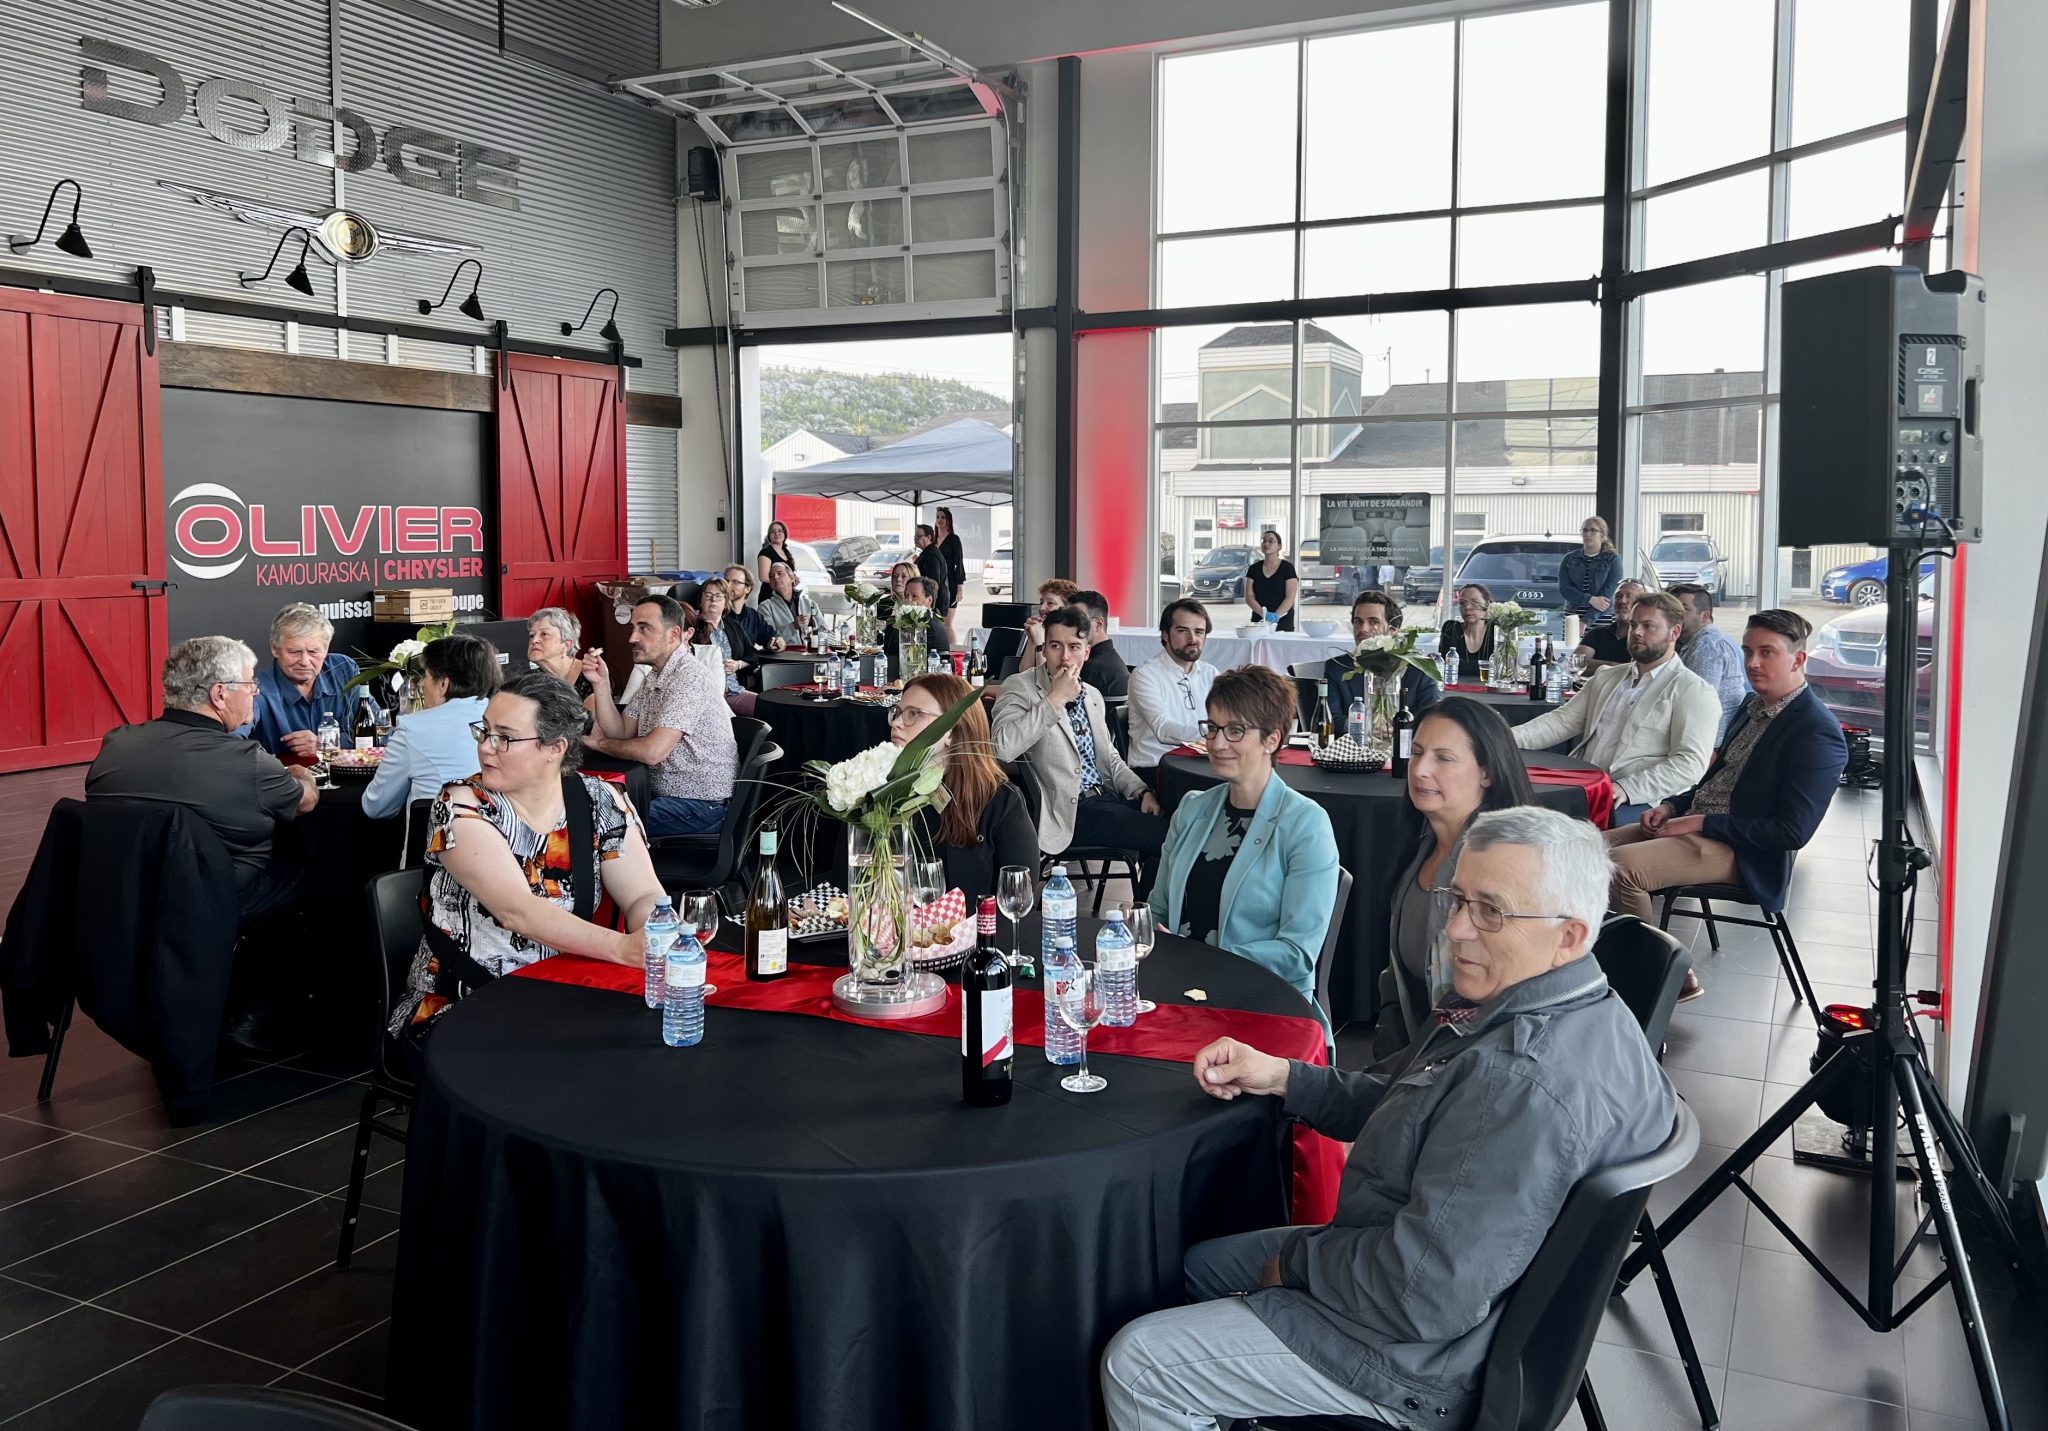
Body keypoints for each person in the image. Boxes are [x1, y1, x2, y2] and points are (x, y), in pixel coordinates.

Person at [1100, 807, 1678, 1431]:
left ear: (1569, 935)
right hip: (1425, 1283)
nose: (1456, 928)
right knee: (1195, 1267)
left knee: (1138, 1367)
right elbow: (1412, 1105)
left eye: (1491, 910)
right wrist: (1285, 1077)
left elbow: (1423, 1294)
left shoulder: (1517, 1081)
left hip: (1416, 1357)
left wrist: (1294, 1267)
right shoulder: (1586, 1010)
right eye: (1459, 899)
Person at [390, 672, 665, 1034]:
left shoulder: (601, 800)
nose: (486, 747)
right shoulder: (461, 805)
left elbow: (643, 894)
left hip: (563, 993)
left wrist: (655, 934)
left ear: (555, 748)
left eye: (505, 737)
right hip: (465, 1001)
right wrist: (624, 948)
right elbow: (517, 912)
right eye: (485, 731)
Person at [1606, 610, 1849, 1000]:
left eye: (1767, 652)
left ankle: (1663, 975)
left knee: (1621, 869)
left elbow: (1792, 832)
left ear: (1798, 659)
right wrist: (1671, 806)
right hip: (1700, 826)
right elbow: (1715, 781)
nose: (1752, 663)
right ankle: (1600, 958)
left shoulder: (1815, 731)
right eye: (1748, 651)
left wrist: (1702, 823)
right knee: (1584, 849)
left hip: (1746, 852)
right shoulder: (1753, 708)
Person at [88, 635, 319, 924]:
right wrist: (299, 772)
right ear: (219, 694)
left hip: (121, 897)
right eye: (250, 684)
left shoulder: (116, 743)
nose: (255, 692)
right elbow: (307, 801)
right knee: (317, 871)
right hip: (212, 901)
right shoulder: (249, 761)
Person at [1148, 666, 1339, 1013]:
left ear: (1272, 740)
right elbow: (1157, 910)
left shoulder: (1305, 824)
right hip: (1181, 994)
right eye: (1213, 727)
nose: (1217, 743)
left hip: (1263, 1004)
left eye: (1235, 730)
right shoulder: (1192, 809)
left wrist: (1199, 957)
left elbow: (1297, 953)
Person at [1376, 697, 1538, 1057]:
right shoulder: (1422, 846)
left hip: (1480, 1057)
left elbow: (1510, 1003)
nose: (1420, 770)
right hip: (1420, 1050)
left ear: (1487, 773)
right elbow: (1395, 975)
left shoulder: (1501, 865)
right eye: (1417, 753)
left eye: (1443, 758)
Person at [992, 604, 1165, 891]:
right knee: (1165, 836)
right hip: (1069, 812)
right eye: (1055, 646)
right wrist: (1054, 699)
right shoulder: (1021, 687)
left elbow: (1110, 758)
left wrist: (1141, 791)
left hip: (1105, 800)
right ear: (1044, 648)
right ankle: (1147, 911)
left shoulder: (1091, 694)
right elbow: (1001, 748)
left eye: (1074, 647)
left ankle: (1149, 906)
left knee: (1174, 820)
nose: (1064, 657)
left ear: (1087, 652)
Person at [1512, 592, 1720, 826]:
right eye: (1633, 625)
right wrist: (1503, 739)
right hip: (1584, 785)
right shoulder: (1607, 677)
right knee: (1515, 811)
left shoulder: (1694, 690)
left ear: (1674, 632)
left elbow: (1690, 763)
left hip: (1638, 800)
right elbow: (1561, 722)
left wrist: (1628, 788)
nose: (1637, 632)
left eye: (1648, 626)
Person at [582, 595, 737, 838]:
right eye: (633, 628)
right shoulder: (655, 676)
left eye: (644, 628)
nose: (632, 638)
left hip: (701, 806)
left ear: (674, 634)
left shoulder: (689, 678)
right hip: (666, 796)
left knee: (593, 820)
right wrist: (601, 684)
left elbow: (652, 752)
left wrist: (599, 744)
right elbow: (621, 733)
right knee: (587, 807)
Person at [889, 673, 1036, 907]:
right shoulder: (880, 793)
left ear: (951, 731)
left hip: (978, 930)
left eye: (914, 714)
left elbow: (1017, 899)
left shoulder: (999, 801)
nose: (896, 723)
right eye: (897, 713)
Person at [361, 633, 499, 819]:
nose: (422, 684)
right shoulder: (506, 720)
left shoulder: (413, 728)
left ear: (443, 683)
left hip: (440, 834)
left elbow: (377, 806)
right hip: (504, 832)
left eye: (426, 676)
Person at [248, 603, 365, 759]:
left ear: (326, 649)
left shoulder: (344, 670)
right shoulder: (256, 689)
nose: (304, 661)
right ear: (274, 648)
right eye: (294, 652)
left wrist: (326, 744)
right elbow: (230, 744)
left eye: (313, 651)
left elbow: (379, 731)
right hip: (285, 774)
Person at [1127, 599, 1219, 773]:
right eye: (1182, 631)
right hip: (1156, 768)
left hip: (1200, 764)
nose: (1193, 639)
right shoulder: (1145, 675)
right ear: (1165, 634)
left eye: (1199, 632)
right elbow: (1163, 729)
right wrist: (1216, 734)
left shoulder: (1211, 673)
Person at [1321, 589, 1443, 717]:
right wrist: (1364, 725)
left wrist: (1400, 725)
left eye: (1373, 622)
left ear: (1393, 630)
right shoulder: (1337, 668)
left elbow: (1433, 718)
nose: (1363, 629)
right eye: (1358, 621)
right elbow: (1331, 718)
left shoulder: (1420, 669)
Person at [1668, 582, 1751, 743]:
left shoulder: (1708, 646)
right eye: (1672, 609)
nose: (1675, 615)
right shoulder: (1695, 642)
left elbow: (1696, 704)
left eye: (1683, 609)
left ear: (1705, 616)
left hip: (1710, 744)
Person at [687, 577, 758, 716]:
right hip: (708, 694)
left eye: (719, 596)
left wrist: (738, 664)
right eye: (708, 595)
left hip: (734, 691)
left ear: (726, 602)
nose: (713, 600)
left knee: (768, 707)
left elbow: (753, 654)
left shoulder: (733, 626)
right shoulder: (693, 628)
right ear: (701, 601)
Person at [526, 607, 601, 719]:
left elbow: (590, 726)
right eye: (532, 635)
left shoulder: (591, 678)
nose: (534, 640)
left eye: (544, 634)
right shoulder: (531, 680)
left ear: (566, 645)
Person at [1560, 515, 1621, 624]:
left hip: (1601, 616)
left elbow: (1608, 593)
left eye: (1593, 530)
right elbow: (1565, 589)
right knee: (1572, 636)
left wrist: (1587, 620)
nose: (1588, 534)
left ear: (1602, 535)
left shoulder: (1612, 559)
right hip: (1573, 615)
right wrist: (1590, 599)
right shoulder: (1569, 558)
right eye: (1585, 530)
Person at [1074, 589, 1131, 700]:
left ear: (1098, 624)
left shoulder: (1091, 669)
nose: (1070, 626)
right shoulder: (1112, 662)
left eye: (1078, 620)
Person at [1574, 578, 1644, 668]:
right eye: (1618, 596)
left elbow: (1638, 669)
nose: (1622, 601)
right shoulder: (1597, 633)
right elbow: (1576, 663)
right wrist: (1616, 667)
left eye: (1629, 596)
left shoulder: (1642, 638)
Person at [1436, 583, 1497, 684]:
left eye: (1474, 602)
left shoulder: (1497, 630)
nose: (1467, 607)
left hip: (1491, 689)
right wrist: (1486, 665)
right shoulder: (1451, 628)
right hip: (1455, 688)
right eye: (1462, 603)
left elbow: (1502, 668)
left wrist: (1463, 665)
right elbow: (1445, 665)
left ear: (1487, 604)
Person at [1244, 530, 1300, 633]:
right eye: (1264, 541)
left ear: (1279, 546)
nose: (1266, 543)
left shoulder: (1287, 568)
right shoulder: (1254, 568)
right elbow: (1249, 596)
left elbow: (1290, 597)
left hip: (1283, 621)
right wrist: (1264, 614)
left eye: (1271, 541)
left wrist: (1276, 615)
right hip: (1259, 621)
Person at [1020, 577, 1081, 671]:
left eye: (1050, 603)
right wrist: (1032, 638)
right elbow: (1024, 672)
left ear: (1067, 608)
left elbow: (1047, 676)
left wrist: (1039, 643)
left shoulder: (1072, 638)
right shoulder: (1043, 631)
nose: (1042, 608)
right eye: (1041, 602)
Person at [756, 561, 822, 646]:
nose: (775, 577)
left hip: (811, 651)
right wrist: (793, 627)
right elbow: (768, 639)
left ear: (791, 578)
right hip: (785, 653)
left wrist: (814, 632)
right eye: (771, 576)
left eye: (779, 573)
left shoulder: (810, 604)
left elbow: (823, 630)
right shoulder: (766, 607)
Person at [721, 564, 777, 657]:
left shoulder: (754, 616)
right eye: (726, 581)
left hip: (748, 664)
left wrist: (776, 642)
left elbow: (769, 638)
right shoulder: (718, 614)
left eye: (735, 582)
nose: (728, 585)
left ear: (747, 589)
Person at [934, 506, 968, 646]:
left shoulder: (954, 539)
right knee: (937, 623)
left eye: (943, 517)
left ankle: (954, 652)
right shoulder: (933, 539)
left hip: (950, 585)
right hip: (935, 585)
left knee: (947, 623)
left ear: (948, 520)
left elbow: (959, 562)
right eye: (938, 517)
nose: (940, 520)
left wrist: (960, 587)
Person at [913, 523, 953, 620]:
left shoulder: (931, 555)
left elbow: (932, 582)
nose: (915, 539)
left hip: (935, 602)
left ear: (929, 537)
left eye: (919, 536)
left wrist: (928, 602)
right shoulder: (927, 552)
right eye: (915, 536)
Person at [755, 519, 796, 590]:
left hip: (786, 592)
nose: (776, 534)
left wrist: (793, 579)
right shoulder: (766, 552)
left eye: (780, 531)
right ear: (769, 535)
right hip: (770, 593)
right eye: (773, 531)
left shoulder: (786, 552)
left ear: (785, 534)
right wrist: (785, 583)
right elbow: (763, 577)